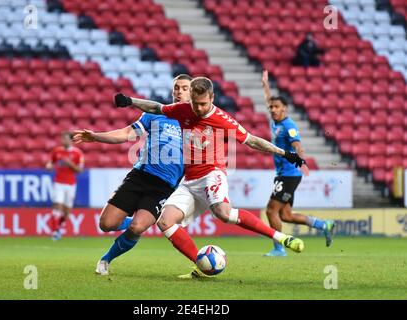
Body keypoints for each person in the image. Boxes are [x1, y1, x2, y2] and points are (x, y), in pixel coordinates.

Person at [114, 77, 307, 279]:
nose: (199, 108)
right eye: (195, 103)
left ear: (212, 98)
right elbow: (157, 108)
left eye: (204, 104)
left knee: (223, 213)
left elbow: (253, 141)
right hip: (189, 181)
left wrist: (284, 153)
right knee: (165, 222)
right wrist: (130, 100)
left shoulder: (222, 119)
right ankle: (201, 266)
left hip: (211, 173)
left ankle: (281, 237)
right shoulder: (184, 109)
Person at [73, 74, 192, 275]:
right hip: (140, 176)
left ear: (192, 93)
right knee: (106, 224)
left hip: (164, 187)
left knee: (138, 227)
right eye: (176, 88)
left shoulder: (196, 124)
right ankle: (132, 223)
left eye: (184, 88)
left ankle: (106, 260)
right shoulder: (155, 114)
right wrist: (96, 137)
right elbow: (125, 134)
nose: (179, 92)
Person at [261, 70, 335, 256]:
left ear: (284, 108)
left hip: (289, 174)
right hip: (284, 174)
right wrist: (266, 86)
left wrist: (302, 163)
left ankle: (279, 248)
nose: (272, 110)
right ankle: (322, 224)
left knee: (271, 212)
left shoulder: (288, 126)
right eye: (271, 107)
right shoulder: (275, 122)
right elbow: (269, 100)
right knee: (285, 215)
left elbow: (298, 146)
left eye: (276, 107)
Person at [46, 131, 84, 241]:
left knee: (66, 212)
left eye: (65, 139)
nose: (63, 141)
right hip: (59, 182)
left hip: (71, 184)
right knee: (57, 205)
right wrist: (49, 166)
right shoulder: (57, 151)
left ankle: (58, 227)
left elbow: (80, 170)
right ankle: (54, 232)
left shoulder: (77, 153)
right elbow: (50, 163)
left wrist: (69, 164)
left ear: (70, 140)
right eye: (62, 139)